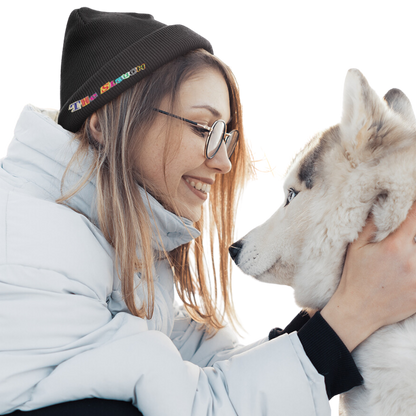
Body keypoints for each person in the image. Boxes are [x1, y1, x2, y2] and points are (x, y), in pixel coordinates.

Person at [2, 5, 416, 416]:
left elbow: (208, 371)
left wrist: (326, 315)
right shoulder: (33, 245)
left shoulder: (121, 256)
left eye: (228, 139)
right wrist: (350, 317)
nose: (223, 162)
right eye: (204, 129)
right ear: (105, 123)